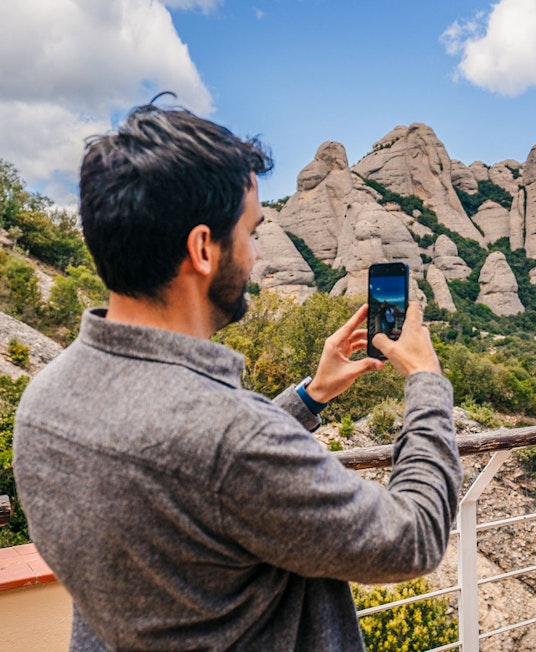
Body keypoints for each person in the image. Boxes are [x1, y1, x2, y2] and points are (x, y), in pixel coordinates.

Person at [13, 103, 462, 651]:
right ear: (203, 248)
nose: (256, 254)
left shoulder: (43, 404)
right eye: (251, 231)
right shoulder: (231, 440)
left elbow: (198, 470)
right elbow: (412, 537)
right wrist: (426, 381)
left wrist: (311, 394)